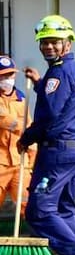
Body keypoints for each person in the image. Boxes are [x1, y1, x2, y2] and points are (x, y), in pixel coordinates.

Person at [18, 16, 75, 255]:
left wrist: (27, 138)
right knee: (63, 209)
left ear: (67, 43)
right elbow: (61, 100)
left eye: (54, 41)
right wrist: (40, 84)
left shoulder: (60, 73)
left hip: (57, 152)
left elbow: (50, 116)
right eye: (44, 42)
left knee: (39, 210)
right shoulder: (72, 71)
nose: (48, 47)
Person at [0, 55, 34, 218]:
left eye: (10, 75)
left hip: (20, 162)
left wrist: (32, 161)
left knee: (28, 203)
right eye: (3, 76)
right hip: (0, 162)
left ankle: (33, 240)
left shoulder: (22, 99)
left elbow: (31, 130)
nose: (7, 79)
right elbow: (6, 120)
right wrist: (24, 131)